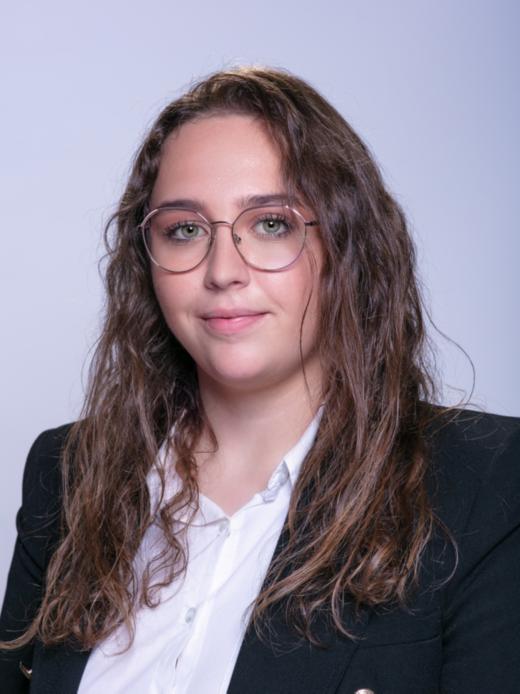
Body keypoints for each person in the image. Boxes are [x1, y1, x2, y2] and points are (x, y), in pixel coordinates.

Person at [0, 66, 519, 694]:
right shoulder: (68, 471)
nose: (223, 270)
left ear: (348, 247)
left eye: (271, 223)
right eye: (185, 229)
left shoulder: (487, 482)